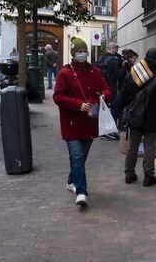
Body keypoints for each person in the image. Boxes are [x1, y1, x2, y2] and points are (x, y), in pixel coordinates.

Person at [53, 37, 111, 207]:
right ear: (73, 53)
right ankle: (81, 191)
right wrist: (79, 105)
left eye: (84, 51)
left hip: (90, 124)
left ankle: (71, 181)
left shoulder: (95, 72)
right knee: (77, 156)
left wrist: (103, 96)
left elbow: (107, 89)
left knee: (80, 158)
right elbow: (58, 97)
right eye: (79, 51)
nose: (82, 54)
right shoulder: (65, 73)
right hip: (71, 124)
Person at [118, 48, 156, 186]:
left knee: (133, 146)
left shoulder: (134, 73)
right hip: (152, 120)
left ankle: (129, 174)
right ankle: (148, 176)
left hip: (135, 117)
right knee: (149, 147)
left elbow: (124, 93)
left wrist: (124, 109)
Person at [95, 42, 122, 140]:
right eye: (116, 49)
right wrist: (123, 67)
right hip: (111, 88)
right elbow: (119, 75)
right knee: (114, 108)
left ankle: (102, 131)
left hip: (101, 88)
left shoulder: (101, 58)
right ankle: (111, 131)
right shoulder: (113, 60)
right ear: (114, 49)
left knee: (103, 109)